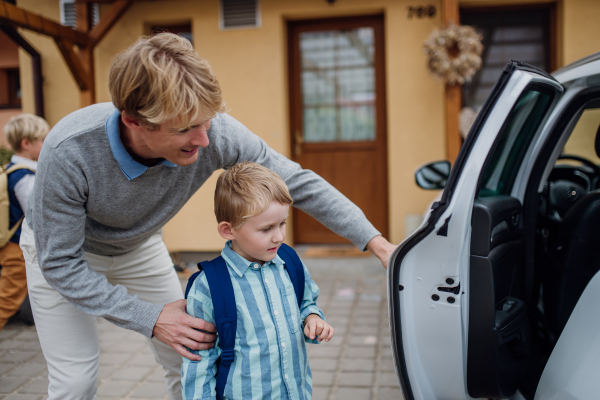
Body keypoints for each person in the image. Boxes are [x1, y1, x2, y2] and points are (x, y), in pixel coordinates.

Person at [21, 32, 395, 400]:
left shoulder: (216, 133)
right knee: (76, 383)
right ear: (134, 122)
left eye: (207, 122)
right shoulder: (69, 150)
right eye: (185, 129)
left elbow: (297, 181)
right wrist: (150, 318)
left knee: (190, 353)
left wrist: (376, 243)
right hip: (65, 256)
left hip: (139, 246)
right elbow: (61, 264)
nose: (204, 141)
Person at [182, 162, 334, 399]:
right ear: (228, 230)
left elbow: (306, 303)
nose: (279, 236)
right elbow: (198, 362)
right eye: (266, 229)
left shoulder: (289, 262)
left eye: (282, 223)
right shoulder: (209, 286)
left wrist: (313, 319)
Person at [0, 114, 48, 331]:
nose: (46, 144)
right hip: (18, 248)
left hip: (10, 244)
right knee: (7, 300)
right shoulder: (25, 176)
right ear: (26, 143)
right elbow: (37, 213)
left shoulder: (10, 169)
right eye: (42, 140)